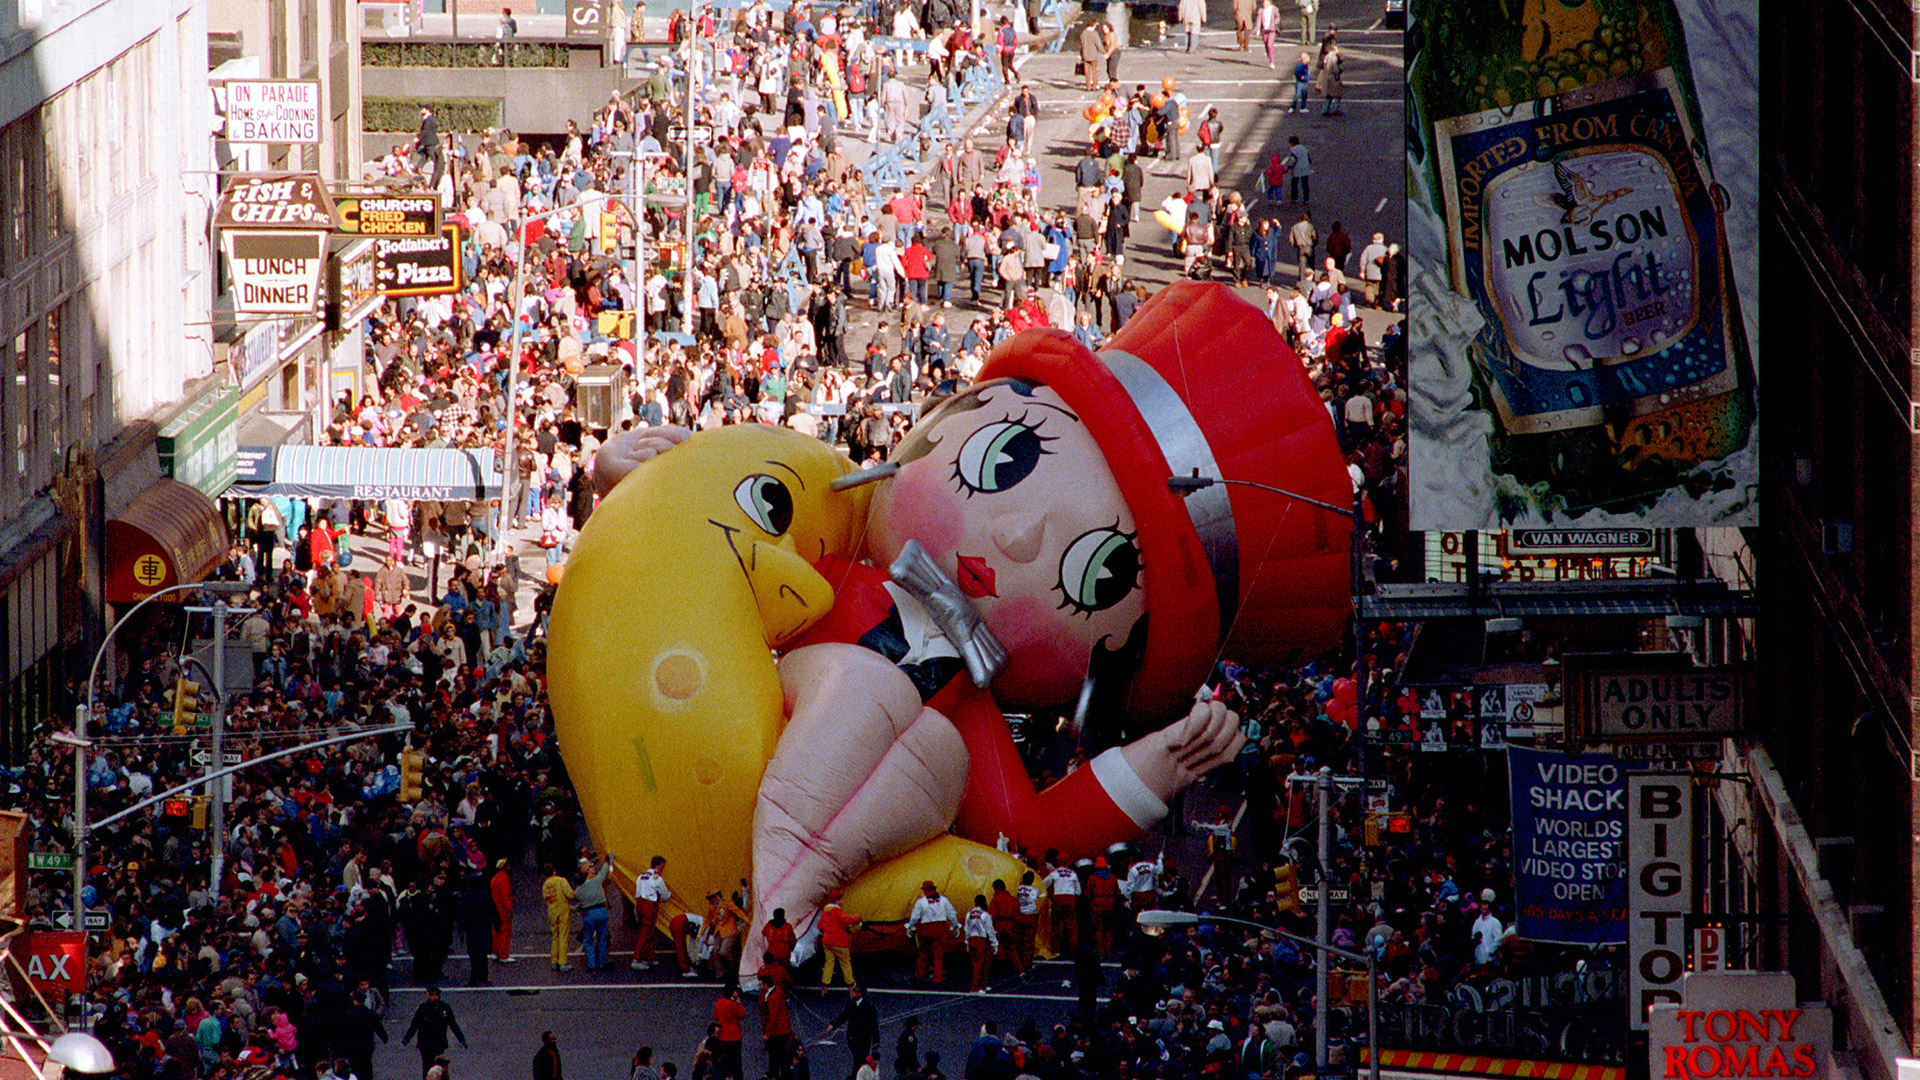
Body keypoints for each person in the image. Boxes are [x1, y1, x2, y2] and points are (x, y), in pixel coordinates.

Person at [402, 987, 467, 1079]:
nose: (431, 997)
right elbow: (414, 1024)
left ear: (438, 995)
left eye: (433, 995)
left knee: (438, 1068)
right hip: (425, 1044)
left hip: (439, 1043)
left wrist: (461, 1039)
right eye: (430, 995)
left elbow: (453, 1024)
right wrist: (407, 1038)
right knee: (427, 1068)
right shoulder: (423, 1008)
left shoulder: (444, 1008)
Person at [907, 880, 960, 985]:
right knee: (938, 955)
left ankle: (919, 975)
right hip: (940, 929)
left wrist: (910, 927)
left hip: (926, 929)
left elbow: (915, 916)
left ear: (925, 890)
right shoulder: (944, 900)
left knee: (923, 953)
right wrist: (955, 926)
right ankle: (937, 978)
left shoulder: (921, 901)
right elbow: (951, 914)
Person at [632, 854, 671, 969]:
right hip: (650, 906)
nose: (663, 869)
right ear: (658, 865)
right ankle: (637, 959)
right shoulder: (658, 879)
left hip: (639, 903)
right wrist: (670, 895)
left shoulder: (641, 875)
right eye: (662, 866)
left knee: (649, 932)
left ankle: (648, 957)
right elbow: (665, 897)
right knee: (646, 932)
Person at [575, 854, 613, 970]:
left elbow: (580, 905)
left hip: (589, 913)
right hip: (601, 911)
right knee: (602, 937)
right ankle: (602, 962)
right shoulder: (596, 881)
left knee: (588, 940)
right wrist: (608, 860)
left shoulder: (578, 891)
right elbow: (604, 871)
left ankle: (591, 964)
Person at [827, 986, 879, 1068]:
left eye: (855, 991)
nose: (852, 993)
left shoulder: (869, 1007)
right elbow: (844, 1016)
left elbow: (874, 1024)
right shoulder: (851, 1004)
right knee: (858, 1057)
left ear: (860, 993)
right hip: (852, 1037)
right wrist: (833, 1025)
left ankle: (856, 1074)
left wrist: (876, 1039)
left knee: (860, 1058)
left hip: (864, 1038)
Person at [818, 890, 861, 990]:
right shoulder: (837, 911)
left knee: (829, 963)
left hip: (827, 942)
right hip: (840, 942)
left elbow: (820, 926)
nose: (841, 902)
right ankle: (851, 985)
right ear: (835, 900)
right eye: (839, 900)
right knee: (845, 963)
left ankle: (825, 986)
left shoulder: (825, 911)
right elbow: (846, 920)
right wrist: (857, 918)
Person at [541, 862, 575, 971]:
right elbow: (570, 894)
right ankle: (563, 962)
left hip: (552, 911)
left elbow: (545, 897)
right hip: (563, 910)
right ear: (554, 870)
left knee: (555, 936)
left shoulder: (546, 884)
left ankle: (554, 960)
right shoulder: (561, 880)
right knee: (563, 936)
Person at [963, 895, 999, 993]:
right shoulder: (985, 914)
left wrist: (966, 942)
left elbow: (966, 928)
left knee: (976, 963)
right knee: (980, 964)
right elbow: (990, 930)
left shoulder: (969, 913)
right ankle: (975, 987)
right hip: (981, 940)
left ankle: (982, 984)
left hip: (971, 939)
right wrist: (994, 943)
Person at [1044, 860, 1081, 956]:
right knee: (1071, 926)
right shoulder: (1073, 873)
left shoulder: (1055, 872)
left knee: (1055, 925)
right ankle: (1073, 950)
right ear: (1067, 862)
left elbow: (1045, 883)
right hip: (1070, 899)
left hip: (1058, 898)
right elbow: (1078, 890)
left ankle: (1055, 950)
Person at [712, 988, 747, 1080]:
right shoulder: (733, 1004)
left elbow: (715, 1017)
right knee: (736, 1062)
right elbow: (742, 1015)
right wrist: (739, 1003)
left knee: (725, 1061)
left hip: (723, 1036)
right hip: (735, 1036)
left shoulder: (719, 1002)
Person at [491, 861, 516, 964]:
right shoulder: (504, 879)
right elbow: (505, 896)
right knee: (505, 930)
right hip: (502, 909)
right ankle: (503, 954)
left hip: (495, 907)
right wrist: (510, 909)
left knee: (497, 930)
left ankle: (495, 951)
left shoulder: (494, 878)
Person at [1285, 135, 1313, 204]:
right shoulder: (1304, 148)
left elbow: (1293, 159)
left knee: (1294, 183)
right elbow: (1309, 158)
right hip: (1305, 168)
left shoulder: (1293, 149)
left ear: (1292, 143)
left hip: (1297, 168)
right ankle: (1306, 199)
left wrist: (1289, 167)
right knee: (1305, 184)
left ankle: (1294, 198)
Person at [1257, 0, 1281, 66]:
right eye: (1264, 3)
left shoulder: (1274, 9)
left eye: (1266, 3)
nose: (1264, 5)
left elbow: (1278, 18)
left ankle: (1271, 62)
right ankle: (1269, 55)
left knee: (1270, 45)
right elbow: (1259, 20)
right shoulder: (1261, 11)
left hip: (1272, 30)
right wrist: (1258, 30)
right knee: (1266, 45)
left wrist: (1274, 23)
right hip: (1264, 30)